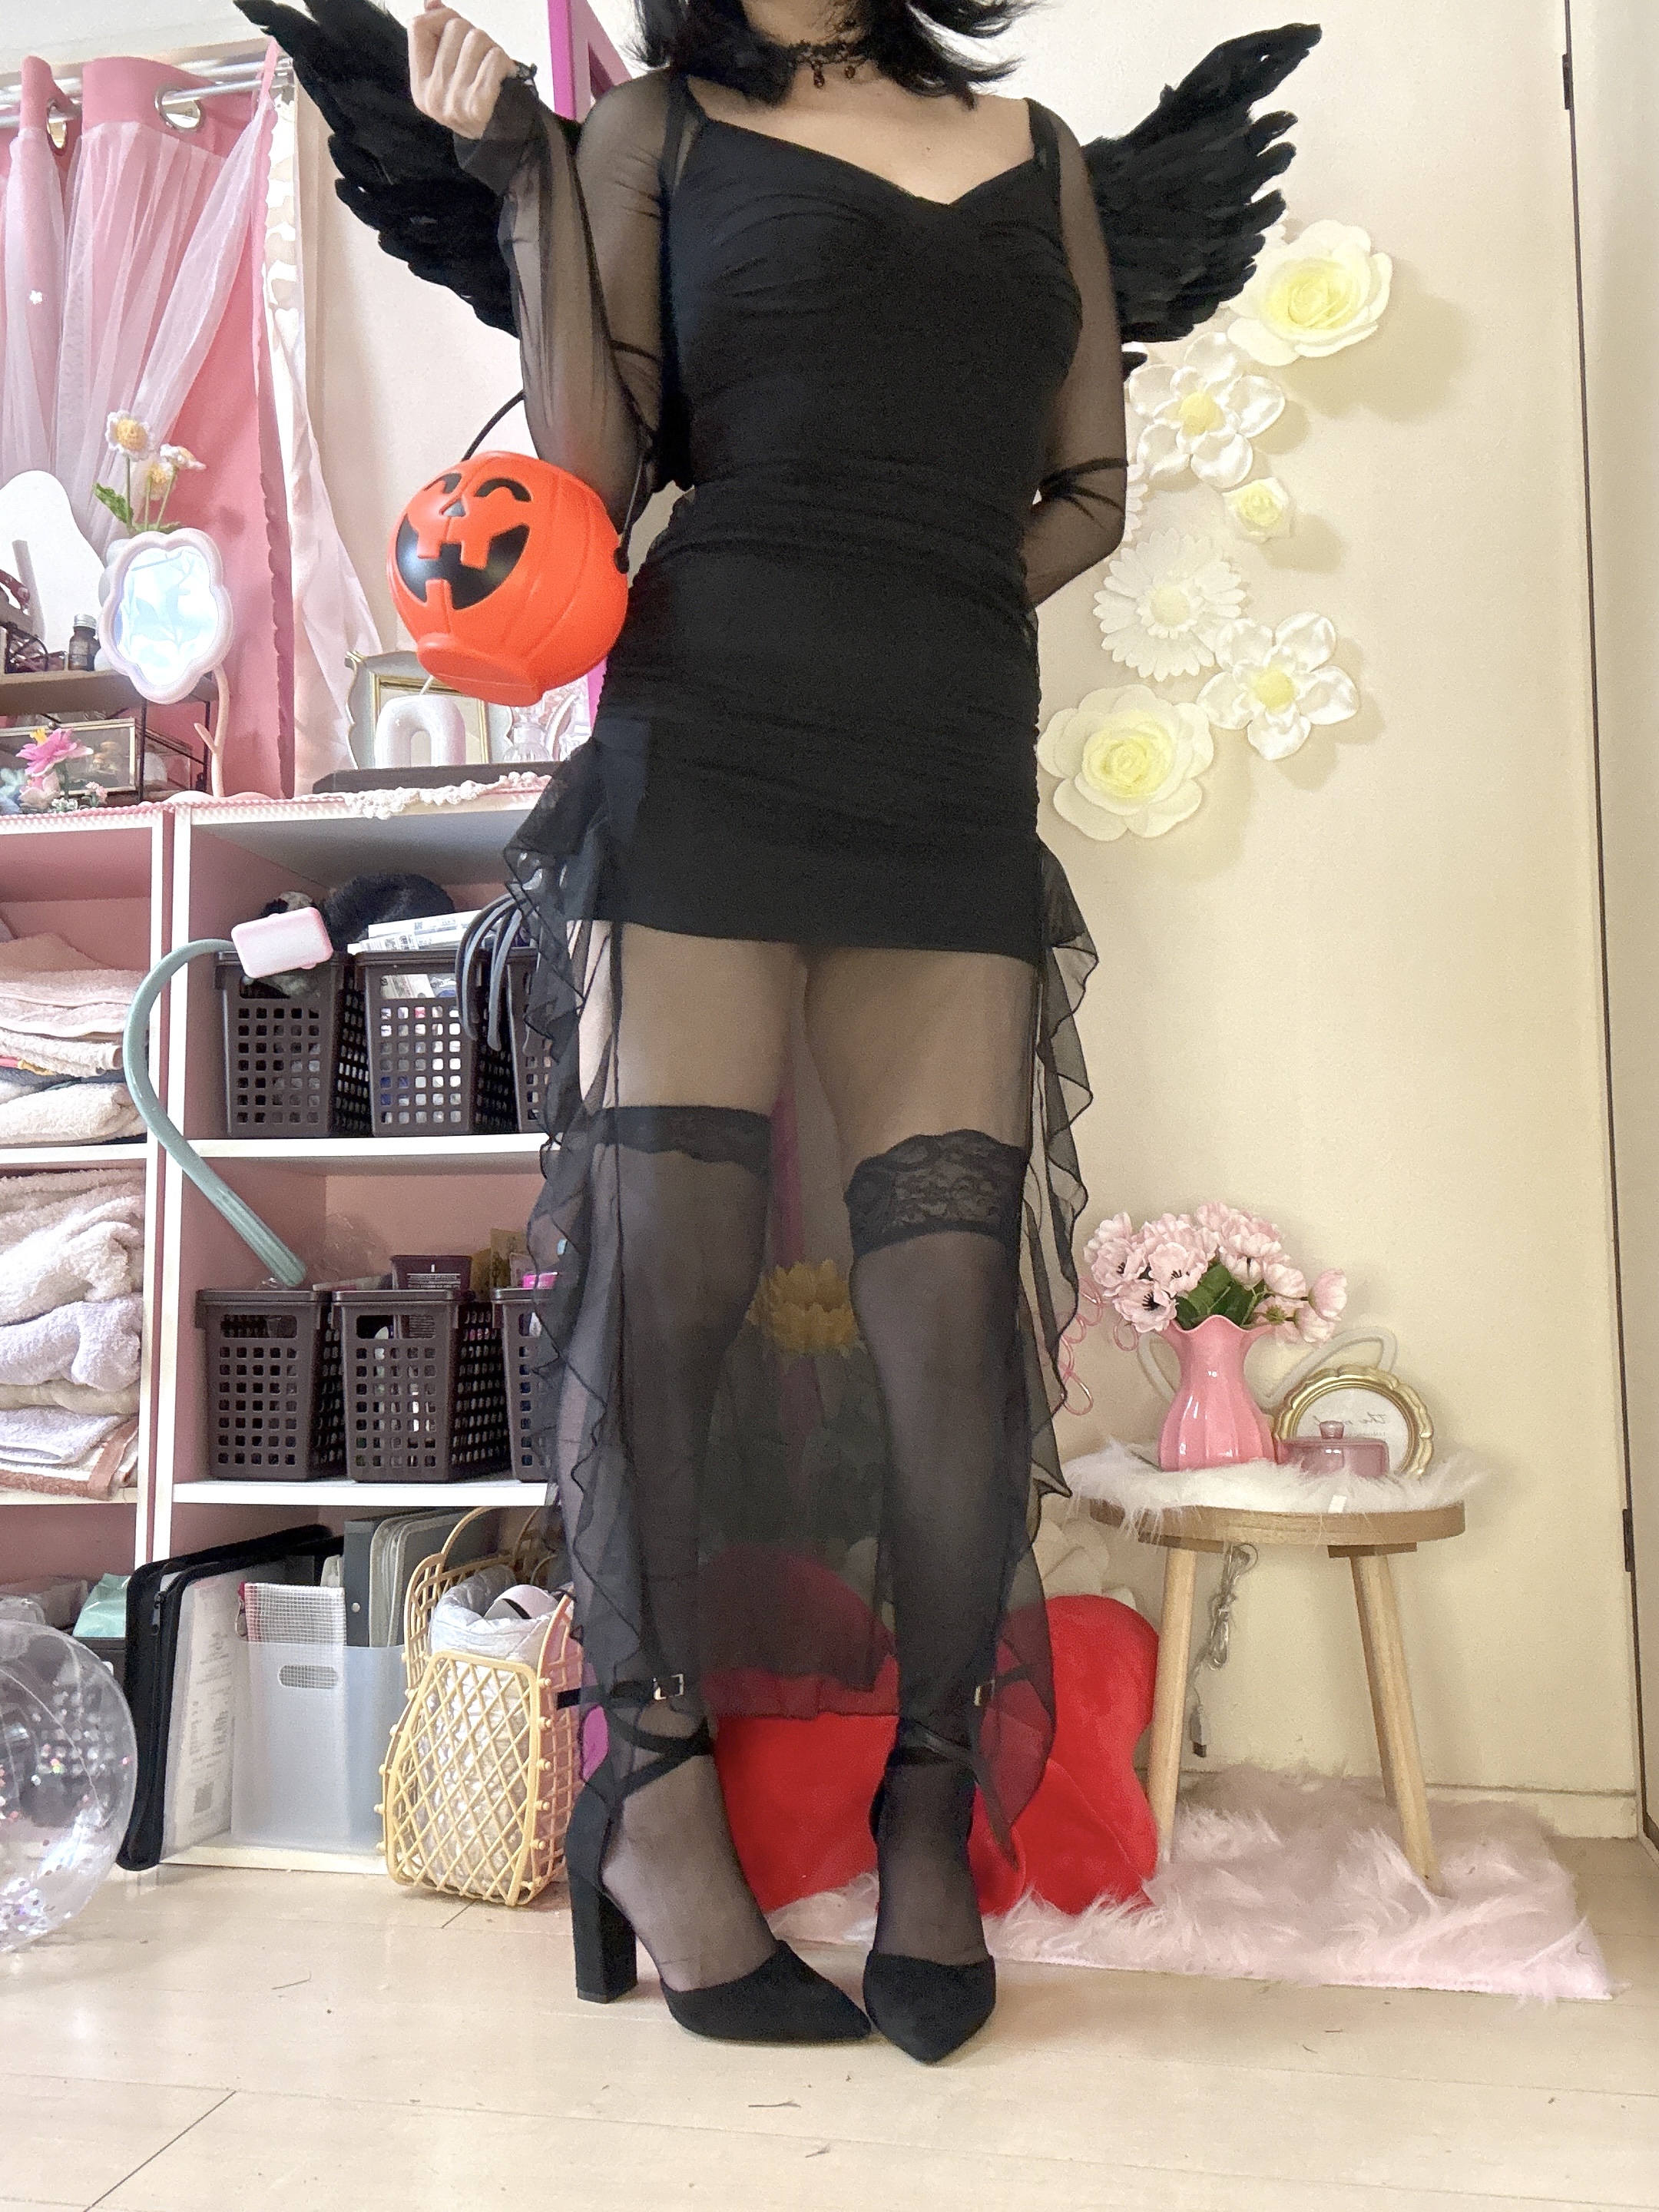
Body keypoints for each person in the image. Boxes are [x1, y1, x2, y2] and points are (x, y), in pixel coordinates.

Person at [407, 0, 1127, 2063]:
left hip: (942, 754)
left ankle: (928, 1803)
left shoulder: (1039, 152)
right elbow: (588, 476)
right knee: (676, 1278)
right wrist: (524, 181)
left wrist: (921, 586)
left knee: (946, 1305)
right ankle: (650, 1793)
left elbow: (1091, 486)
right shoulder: (661, 129)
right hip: (711, 731)